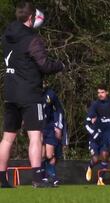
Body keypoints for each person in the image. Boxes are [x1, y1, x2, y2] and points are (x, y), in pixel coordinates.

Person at [0, 1, 64, 188]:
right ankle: (37, 178)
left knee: (7, 138)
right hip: (30, 94)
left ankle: (2, 178)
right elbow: (43, 64)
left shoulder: (6, 36)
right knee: (36, 137)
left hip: (10, 93)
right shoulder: (32, 39)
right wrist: (60, 65)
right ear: (30, 18)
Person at [41, 84, 67, 186]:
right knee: (42, 155)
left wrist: (58, 126)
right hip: (38, 128)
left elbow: (60, 110)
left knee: (49, 154)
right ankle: (43, 177)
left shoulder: (51, 94)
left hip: (49, 127)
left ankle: (52, 176)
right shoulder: (32, 93)